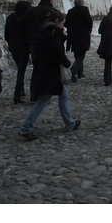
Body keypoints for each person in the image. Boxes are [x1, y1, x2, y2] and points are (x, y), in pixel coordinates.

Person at [19, 10, 80, 140]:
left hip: (45, 67)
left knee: (63, 95)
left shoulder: (44, 30)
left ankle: (69, 123)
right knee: (44, 99)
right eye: (62, 23)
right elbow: (57, 49)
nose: (63, 26)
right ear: (58, 21)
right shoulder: (55, 32)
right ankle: (26, 128)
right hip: (53, 69)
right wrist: (66, 62)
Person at [23, 0, 55, 100]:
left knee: (36, 67)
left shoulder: (32, 10)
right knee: (46, 67)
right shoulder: (53, 12)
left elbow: (24, 23)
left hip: (33, 42)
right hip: (46, 43)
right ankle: (43, 92)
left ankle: (34, 92)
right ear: (50, 0)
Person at [4, 0, 32, 104]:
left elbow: (6, 34)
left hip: (13, 46)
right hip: (24, 47)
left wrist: (10, 42)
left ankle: (21, 90)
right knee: (21, 71)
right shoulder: (26, 19)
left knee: (20, 68)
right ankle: (17, 94)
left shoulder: (10, 18)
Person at [64, 0, 93, 82]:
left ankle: (79, 73)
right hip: (83, 36)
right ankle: (72, 72)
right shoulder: (85, 10)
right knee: (81, 56)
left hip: (73, 36)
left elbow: (66, 23)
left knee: (77, 54)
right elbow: (89, 21)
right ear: (82, 2)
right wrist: (88, 31)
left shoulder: (70, 11)